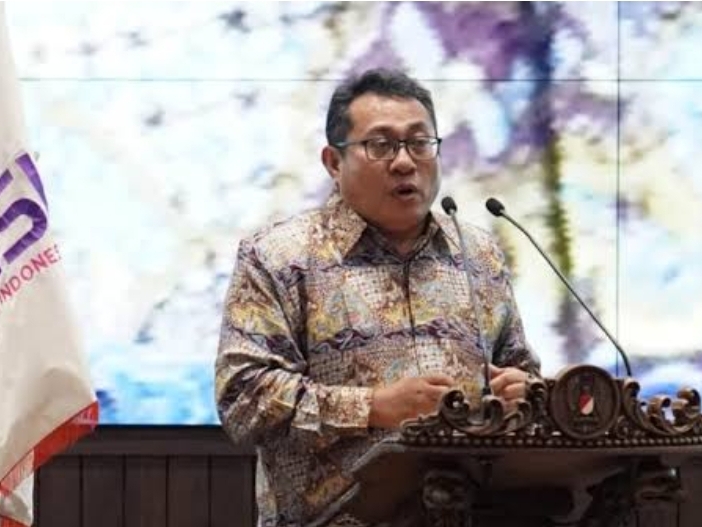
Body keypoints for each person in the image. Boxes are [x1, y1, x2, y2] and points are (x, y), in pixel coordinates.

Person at [215, 68, 541, 527]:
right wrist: (373, 407)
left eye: (420, 143)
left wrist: (524, 394)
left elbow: (521, 371)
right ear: (333, 162)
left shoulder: (479, 254)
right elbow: (244, 398)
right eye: (381, 145)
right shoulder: (279, 257)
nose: (405, 162)